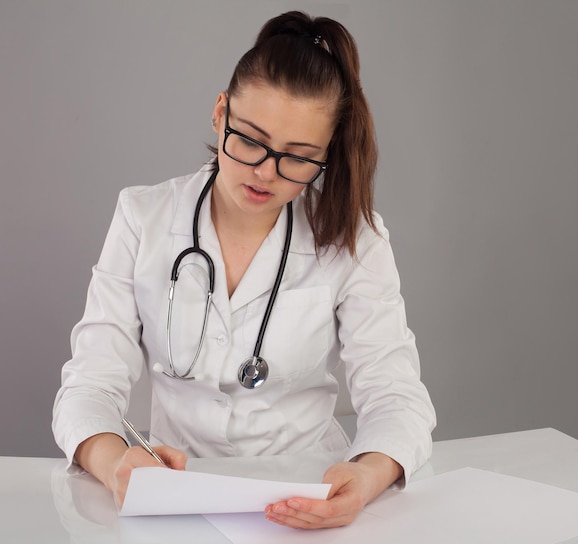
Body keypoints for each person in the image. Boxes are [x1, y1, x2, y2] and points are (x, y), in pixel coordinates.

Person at [52, 10, 436, 530]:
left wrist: (365, 478)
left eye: (298, 157)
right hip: (175, 491)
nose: (265, 172)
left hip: (308, 495)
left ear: (326, 155)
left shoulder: (354, 238)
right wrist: (115, 461)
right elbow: (89, 387)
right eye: (251, 139)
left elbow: (397, 397)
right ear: (220, 113)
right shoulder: (143, 217)